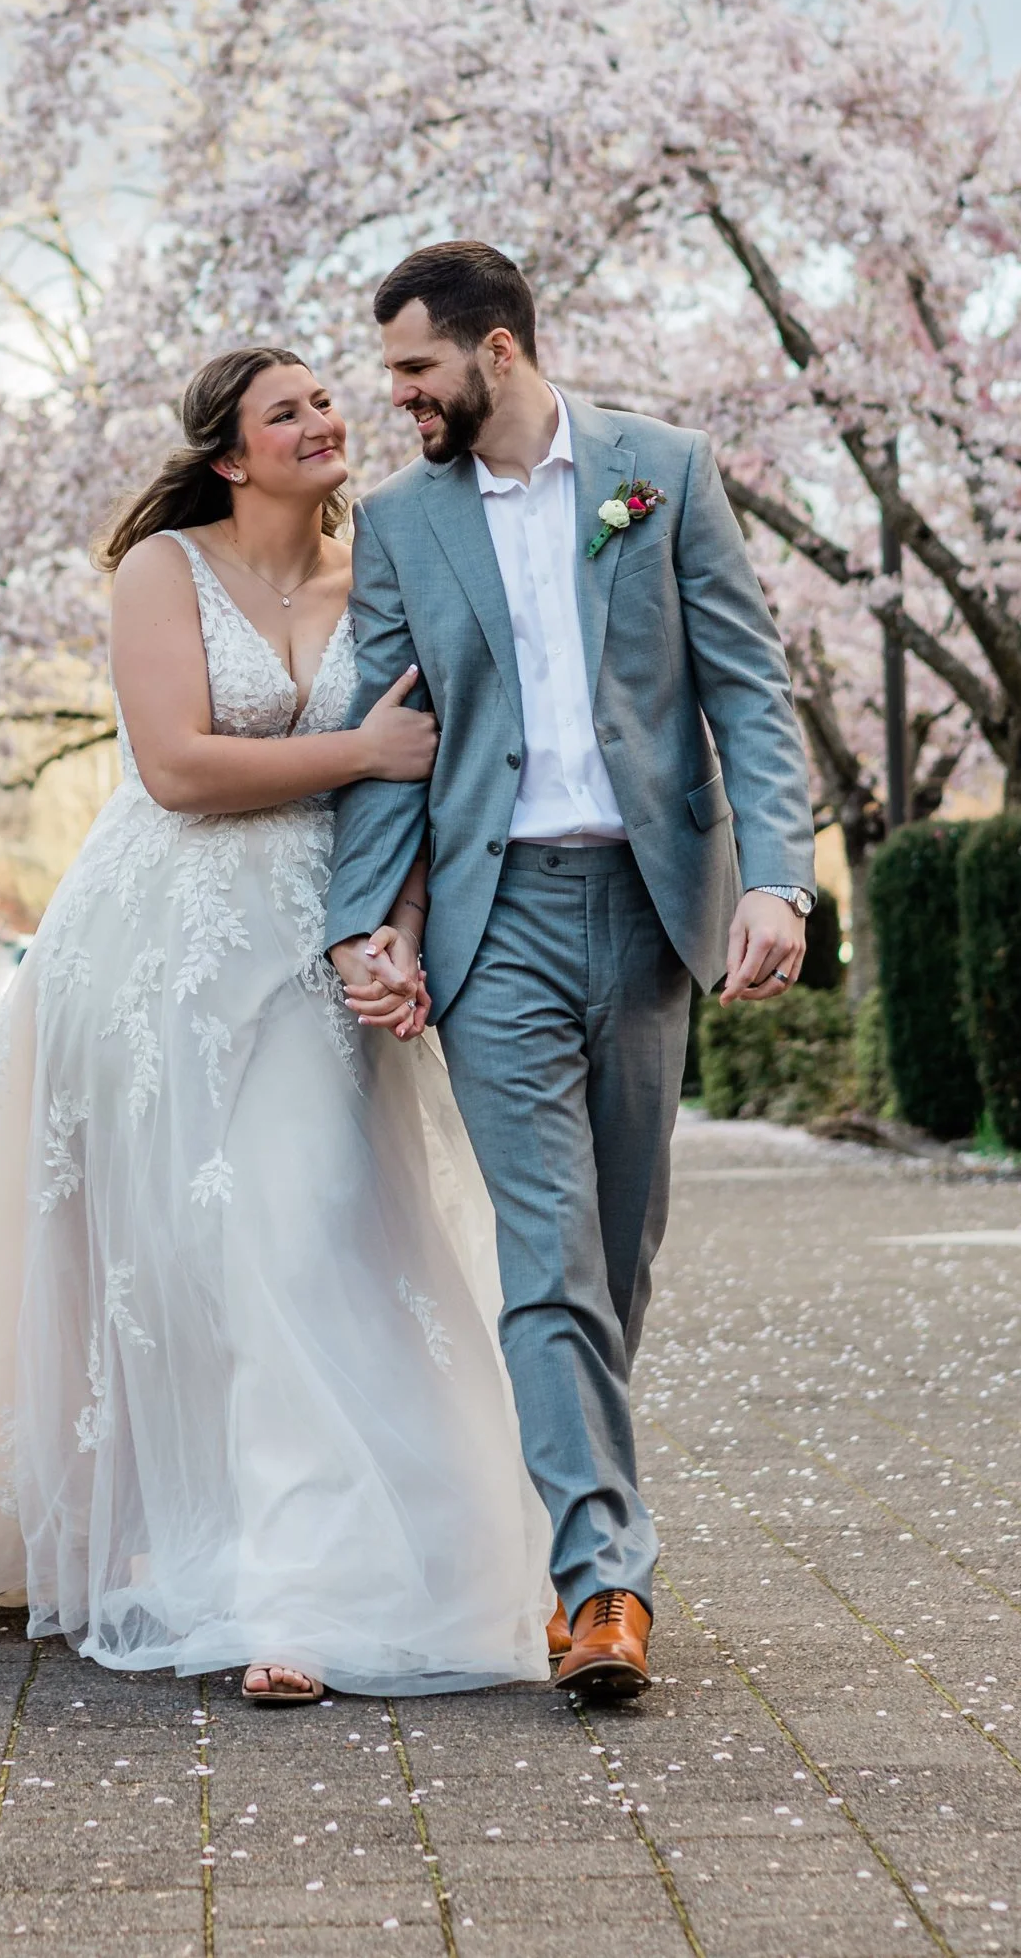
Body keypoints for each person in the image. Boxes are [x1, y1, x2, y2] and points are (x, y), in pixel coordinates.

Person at [0, 344, 552, 1706]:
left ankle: (327, 1570)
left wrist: (397, 931)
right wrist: (356, 751)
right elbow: (181, 766)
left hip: (320, 943)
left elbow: (425, 786)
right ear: (231, 454)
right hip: (160, 948)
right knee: (198, 1254)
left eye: (324, 398)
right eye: (284, 409)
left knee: (307, 1230)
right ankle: (240, 1565)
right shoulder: (162, 571)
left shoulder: (390, 568)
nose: (321, 420)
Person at [327, 243, 818, 1704]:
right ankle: (602, 1579)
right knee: (547, 1255)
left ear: (499, 351)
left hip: (652, 905)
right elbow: (385, 730)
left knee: (616, 1252)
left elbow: (747, 685)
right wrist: (374, 921)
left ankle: (583, 1515)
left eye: (417, 370)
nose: (399, 400)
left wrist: (778, 878)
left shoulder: (661, 471)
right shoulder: (403, 523)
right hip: (496, 925)